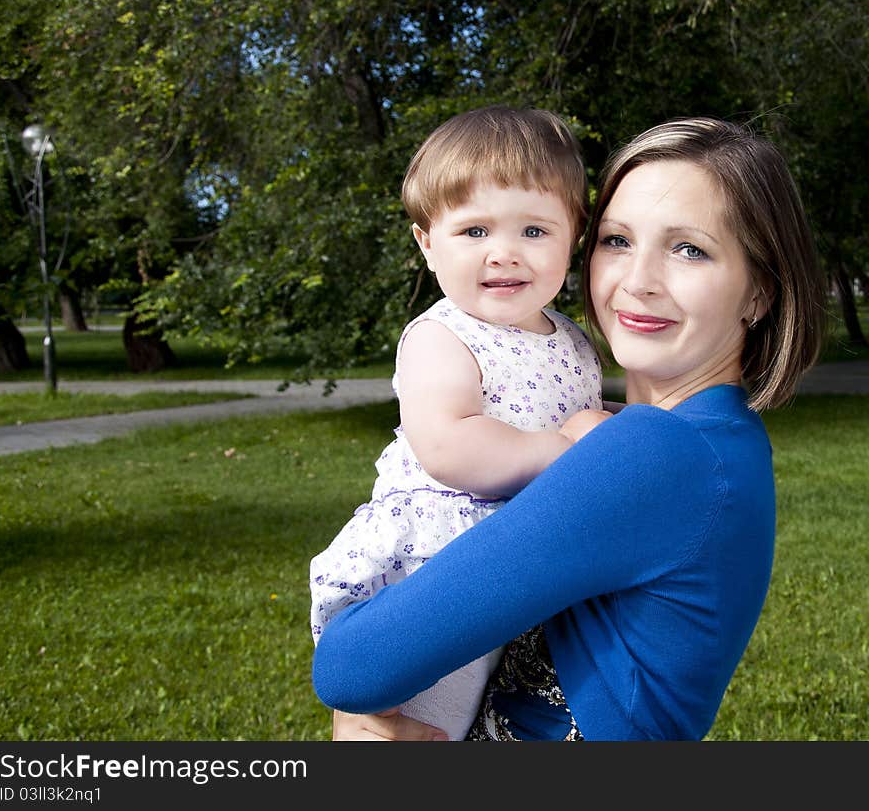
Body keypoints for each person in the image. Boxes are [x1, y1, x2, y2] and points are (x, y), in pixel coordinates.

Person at [313, 116, 828, 741]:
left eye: (689, 249)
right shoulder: (724, 440)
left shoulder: (651, 453)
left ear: (760, 292)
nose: (637, 282)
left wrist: (363, 718)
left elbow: (350, 668)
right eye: (617, 241)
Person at [308, 106, 606, 740]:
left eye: (534, 231)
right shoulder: (442, 337)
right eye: (473, 232)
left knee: (488, 717)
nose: (504, 253)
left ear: (572, 237)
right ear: (427, 243)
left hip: (521, 558)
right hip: (439, 560)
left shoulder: (572, 339)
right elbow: (450, 444)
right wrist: (566, 450)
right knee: (417, 722)